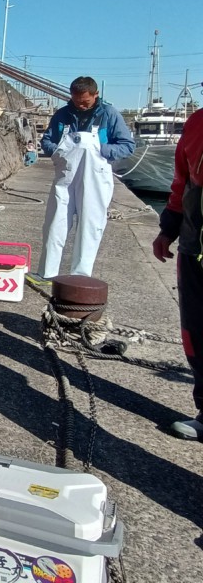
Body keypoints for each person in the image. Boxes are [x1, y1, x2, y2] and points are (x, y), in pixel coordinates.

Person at [38, 77, 134, 278]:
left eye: (85, 101)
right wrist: (57, 151)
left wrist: (101, 149)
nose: (80, 105)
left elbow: (127, 146)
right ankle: (47, 273)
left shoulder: (109, 114)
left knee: (90, 226)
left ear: (95, 95)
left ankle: (80, 276)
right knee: (55, 223)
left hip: (95, 177)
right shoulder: (62, 114)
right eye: (76, 101)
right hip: (65, 175)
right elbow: (47, 140)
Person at [151, 106, 203, 439]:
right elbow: (181, 182)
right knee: (196, 334)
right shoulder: (197, 123)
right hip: (194, 247)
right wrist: (168, 229)